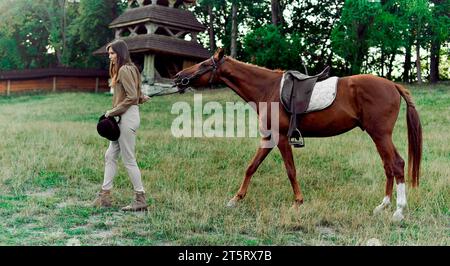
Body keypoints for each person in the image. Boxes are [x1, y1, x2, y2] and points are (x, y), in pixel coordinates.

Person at [93, 39, 150, 211]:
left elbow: (131, 97)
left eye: (112, 53)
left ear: (121, 53)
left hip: (126, 117)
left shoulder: (125, 69)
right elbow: (133, 94)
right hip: (124, 116)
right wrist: (141, 97)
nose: (109, 56)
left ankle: (140, 198)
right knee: (110, 155)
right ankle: (104, 196)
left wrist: (111, 112)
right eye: (109, 53)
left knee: (129, 160)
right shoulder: (130, 69)